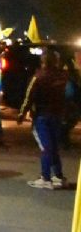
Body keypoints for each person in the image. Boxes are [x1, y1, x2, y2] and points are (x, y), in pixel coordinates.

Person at [19, 50, 68, 189]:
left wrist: (22, 114)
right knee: (54, 146)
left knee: (46, 147)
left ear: (43, 61)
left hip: (42, 116)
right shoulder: (63, 76)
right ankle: (58, 176)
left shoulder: (39, 76)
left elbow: (29, 96)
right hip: (57, 115)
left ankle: (45, 178)